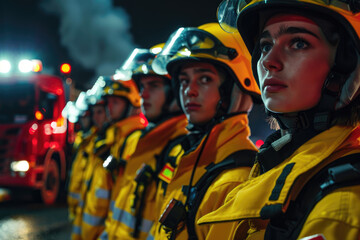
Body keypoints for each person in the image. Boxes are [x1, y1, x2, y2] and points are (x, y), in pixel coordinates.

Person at [198, 1, 360, 239]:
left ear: (346, 64)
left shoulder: (341, 205)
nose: (268, 61)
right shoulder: (274, 160)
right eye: (265, 46)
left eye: (298, 43)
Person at [147, 22, 260, 240]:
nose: (189, 91)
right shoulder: (187, 156)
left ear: (235, 89)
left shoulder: (235, 181)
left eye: (205, 79)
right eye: (183, 80)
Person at [98, 45, 188, 240]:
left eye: (153, 86)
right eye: (142, 87)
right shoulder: (144, 142)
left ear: (175, 91)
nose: (143, 95)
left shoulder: (181, 150)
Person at [80, 76, 147, 240]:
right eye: (108, 102)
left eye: (115, 102)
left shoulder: (135, 140)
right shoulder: (117, 138)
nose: (109, 107)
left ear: (132, 103)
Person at [70, 91, 109, 240]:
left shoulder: (106, 147)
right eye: (92, 113)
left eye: (99, 112)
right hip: (84, 217)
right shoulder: (91, 143)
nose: (93, 117)